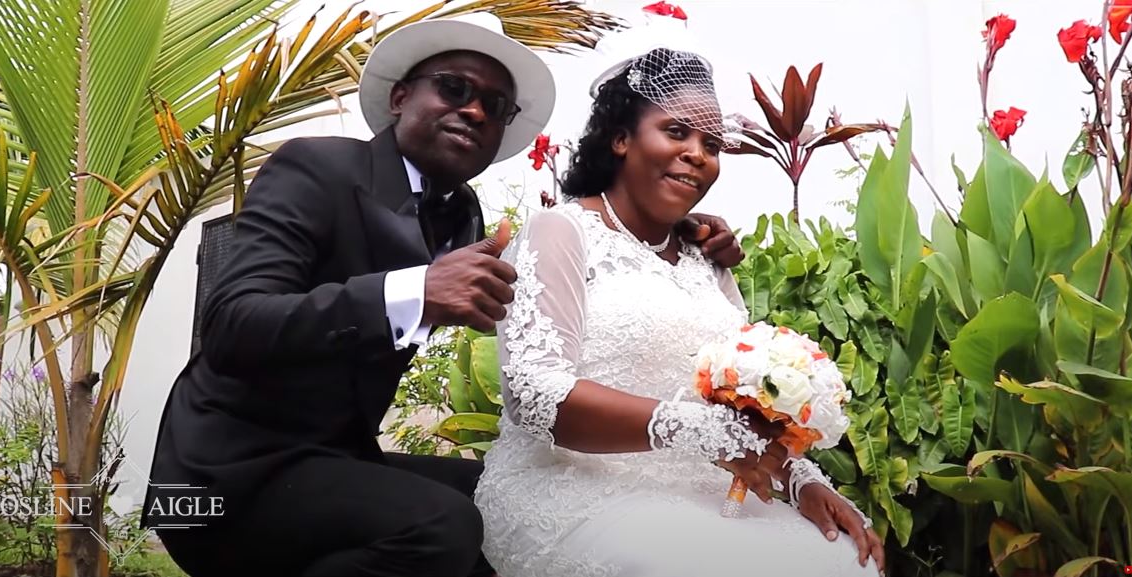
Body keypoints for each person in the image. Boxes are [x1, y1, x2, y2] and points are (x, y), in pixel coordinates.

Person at [142, 13, 746, 577]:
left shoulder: (462, 215)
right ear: (400, 97)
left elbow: (555, 295)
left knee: (507, 507)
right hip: (221, 477)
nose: (476, 110)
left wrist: (671, 234)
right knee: (444, 527)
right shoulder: (316, 168)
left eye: (496, 105)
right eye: (454, 88)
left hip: (336, 459)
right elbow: (232, 322)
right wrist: (414, 293)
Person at [473, 46, 887, 577]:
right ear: (621, 138)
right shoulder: (560, 231)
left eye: (711, 144)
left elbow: (743, 404)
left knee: (846, 564)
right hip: (572, 486)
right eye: (676, 132)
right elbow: (533, 395)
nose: (697, 154)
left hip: (705, 490)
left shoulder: (709, 259)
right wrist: (705, 432)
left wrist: (802, 481)